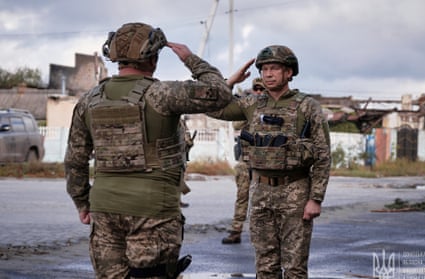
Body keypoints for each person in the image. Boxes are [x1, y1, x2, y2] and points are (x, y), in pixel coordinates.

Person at [64, 22, 232, 279]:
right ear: (153, 58)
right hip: (154, 211)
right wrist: (190, 59)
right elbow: (221, 93)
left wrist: (82, 203)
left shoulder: (89, 100)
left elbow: (74, 161)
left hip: (104, 209)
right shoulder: (163, 94)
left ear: (115, 58)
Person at [209, 45, 331, 278]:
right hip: (261, 191)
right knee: (265, 266)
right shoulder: (251, 104)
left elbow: (323, 156)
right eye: (264, 69)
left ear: (289, 73)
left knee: (294, 267)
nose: (268, 74)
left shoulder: (308, 106)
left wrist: (315, 198)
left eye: (275, 68)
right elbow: (213, 109)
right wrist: (230, 82)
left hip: (295, 191)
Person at [222, 78, 265, 244]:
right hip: (245, 160)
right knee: (242, 197)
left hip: (265, 162)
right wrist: (249, 110)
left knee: (262, 199)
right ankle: (236, 230)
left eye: (262, 90)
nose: (259, 93)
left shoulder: (273, 108)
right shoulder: (248, 107)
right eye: (257, 89)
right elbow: (236, 125)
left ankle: (260, 233)